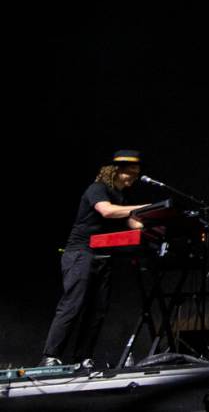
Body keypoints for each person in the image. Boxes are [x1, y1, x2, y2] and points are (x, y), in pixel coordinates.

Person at [40, 150, 149, 367]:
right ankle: (50, 357)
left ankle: (83, 358)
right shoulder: (97, 189)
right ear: (117, 170)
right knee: (74, 304)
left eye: (136, 175)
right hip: (81, 253)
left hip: (103, 256)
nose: (133, 179)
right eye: (130, 174)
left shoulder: (123, 198)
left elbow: (134, 223)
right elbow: (107, 212)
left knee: (97, 310)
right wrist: (141, 208)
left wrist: (159, 218)